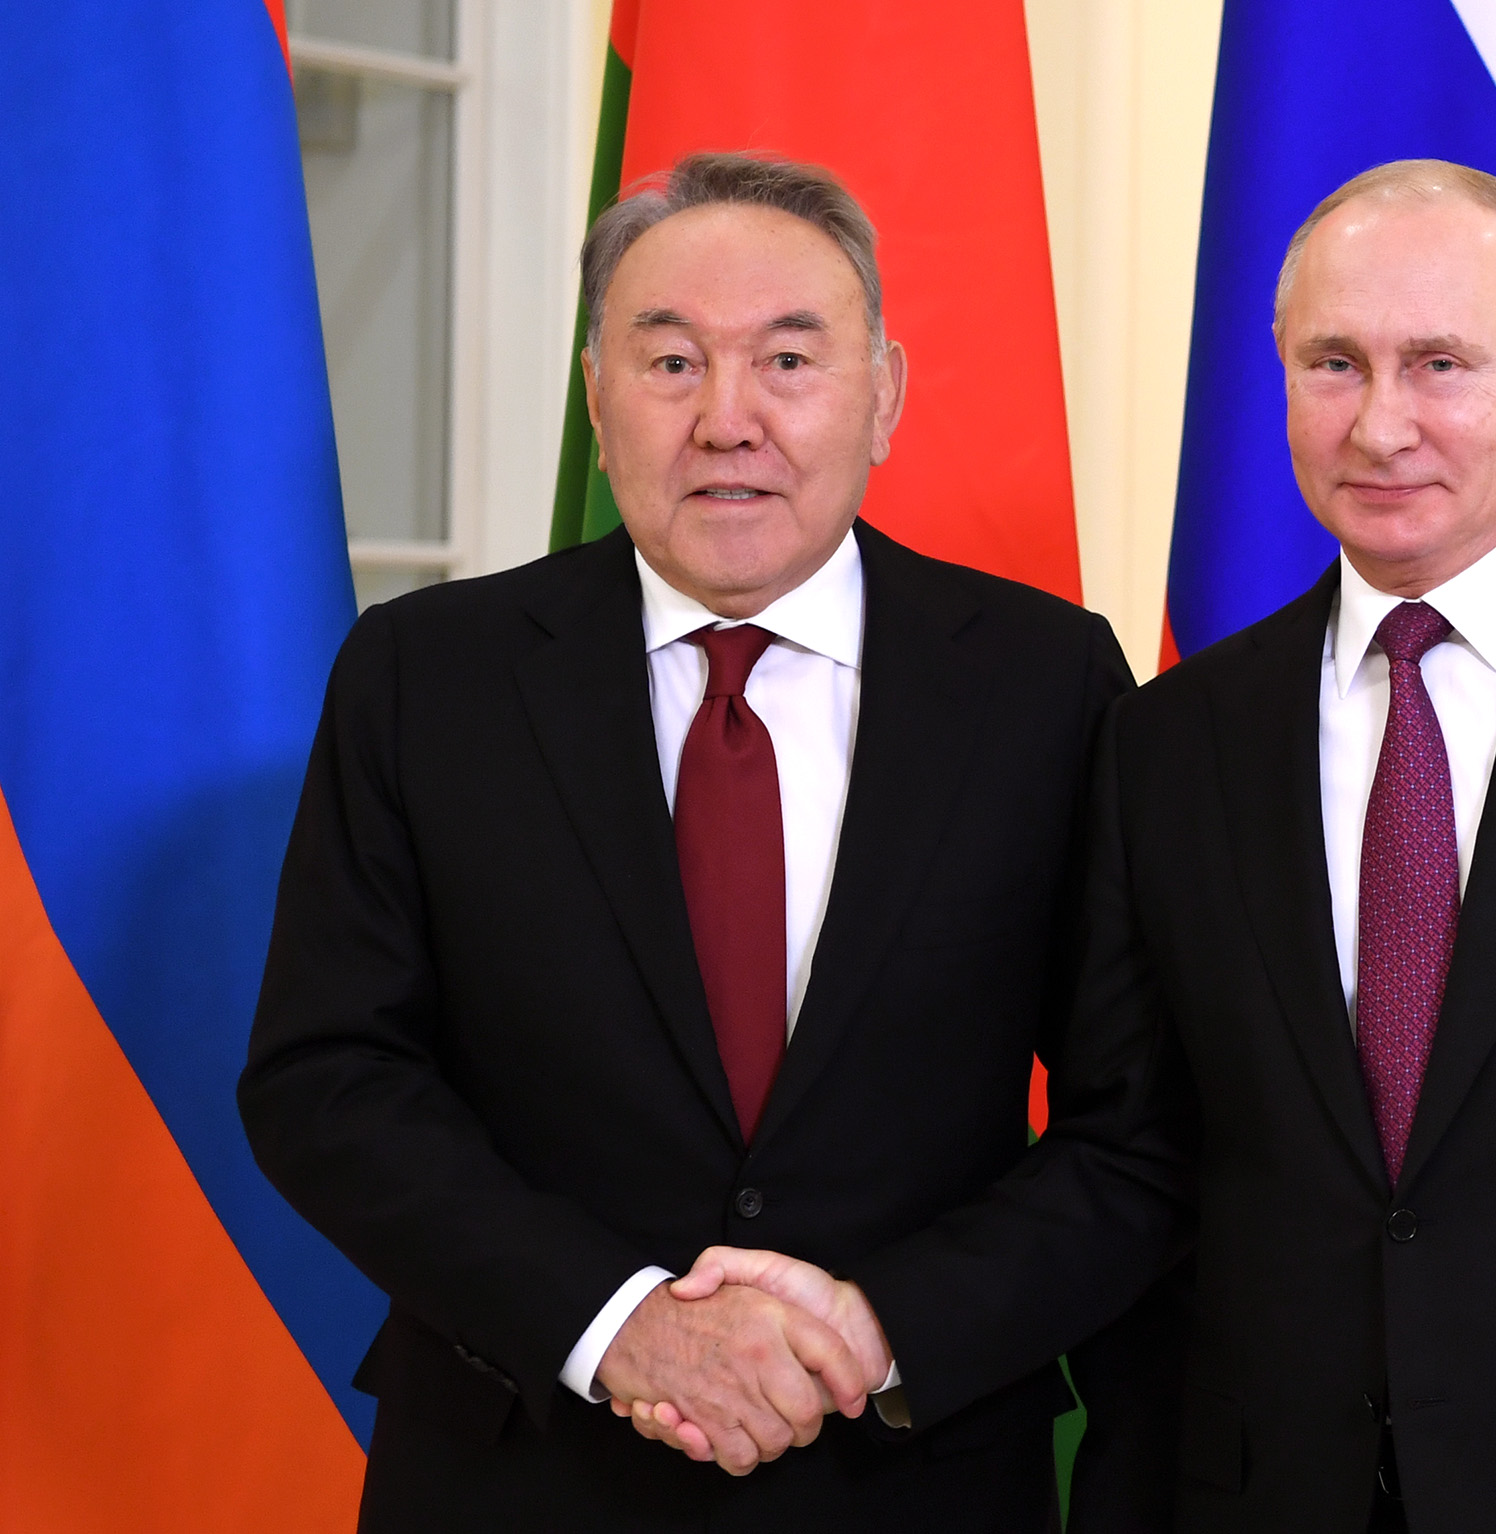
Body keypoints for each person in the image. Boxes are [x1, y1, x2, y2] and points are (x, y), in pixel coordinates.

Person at [660, 160, 1496, 1532]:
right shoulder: (1174, 741)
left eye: (1440, 363)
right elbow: (1143, 1167)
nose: (1382, 424)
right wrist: (885, 1328)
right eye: (1333, 364)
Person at [238, 151, 1134, 1531]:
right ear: (598, 403)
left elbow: (1138, 1120)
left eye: (788, 360)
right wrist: (619, 1325)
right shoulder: (426, 676)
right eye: (670, 363)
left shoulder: (1045, 683)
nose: (728, 419)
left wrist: (877, 1328)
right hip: (521, 1471)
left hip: (914, 1474)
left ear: (883, 395)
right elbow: (326, 1078)